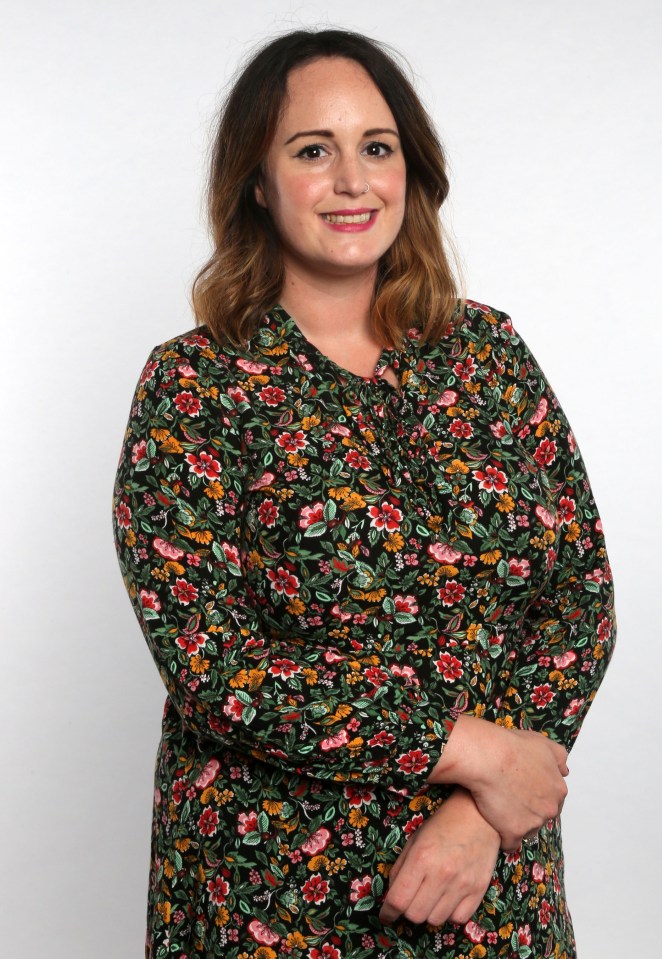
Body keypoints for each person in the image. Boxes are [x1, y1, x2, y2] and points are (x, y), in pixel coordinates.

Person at [112, 28, 616, 959]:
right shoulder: (196, 386)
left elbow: (576, 597)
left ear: (410, 170)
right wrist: (471, 749)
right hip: (270, 899)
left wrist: (481, 810)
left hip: (484, 882)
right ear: (257, 183)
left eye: (375, 147)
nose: (353, 181)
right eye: (314, 151)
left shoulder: (490, 357)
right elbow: (216, 666)